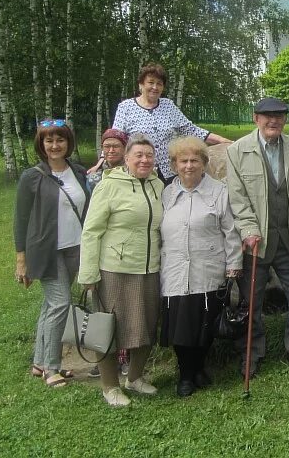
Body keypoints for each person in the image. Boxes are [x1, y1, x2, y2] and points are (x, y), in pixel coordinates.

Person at [225, 97, 289, 377]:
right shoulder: (237, 151)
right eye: (267, 116)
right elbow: (237, 198)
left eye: (279, 116)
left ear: (286, 120)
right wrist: (249, 229)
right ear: (256, 119)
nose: (273, 121)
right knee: (251, 302)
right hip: (256, 242)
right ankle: (251, 353)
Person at [78, 134, 164, 407]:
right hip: (115, 269)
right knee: (110, 329)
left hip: (150, 268)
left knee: (147, 325)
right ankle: (109, 386)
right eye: (138, 155)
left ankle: (135, 378)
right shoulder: (109, 186)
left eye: (149, 155)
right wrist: (88, 274)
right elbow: (91, 231)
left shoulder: (158, 185)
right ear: (126, 158)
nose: (144, 160)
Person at [160, 136, 242, 397]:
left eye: (195, 160)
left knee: (207, 323)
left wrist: (234, 266)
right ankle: (185, 375)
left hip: (209, 267)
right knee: (182, 326)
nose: (188, 165)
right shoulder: (167, 193)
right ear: (174, 165)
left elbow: (230, 231)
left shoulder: (219, 191)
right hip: (175, 269)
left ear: (204, 163)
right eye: (182, 161)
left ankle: (198, 368)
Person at [13, 119, 89, 388]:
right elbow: (20, 220)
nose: (55, 146)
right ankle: (52, 368)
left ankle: (39, 361)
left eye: (60, 140)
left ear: (68, 143)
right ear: (41, 145)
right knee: (60, 304)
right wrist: (20, 260)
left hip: (75, 248)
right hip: (46, 250)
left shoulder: (78, 172)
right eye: (49, 141)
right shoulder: (31, 176)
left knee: (50, 305)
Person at [112, 63, 231, 183]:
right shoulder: (126, 107)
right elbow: (115, 138)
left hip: (169, 172)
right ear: (141, 84)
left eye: (159, 84)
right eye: (151, 82)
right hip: (141, 171)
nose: (155, 87)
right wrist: (103, 158)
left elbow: (191, 130)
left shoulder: (168, 105)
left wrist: (221, 140)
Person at [85, 128, 129, 378]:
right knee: (103, 307)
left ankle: (124, 356)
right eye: (107, 146)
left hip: (124, 247)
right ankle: (101, 358)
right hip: (100, 241)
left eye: (116, 146)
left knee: (123, 306)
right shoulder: (94, 177)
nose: (111, 150)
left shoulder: (133, 171)